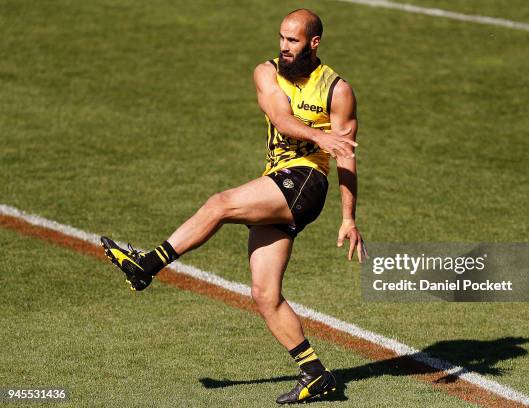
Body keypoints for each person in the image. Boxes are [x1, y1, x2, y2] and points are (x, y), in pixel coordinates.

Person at [100, 8, 366, 404]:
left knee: (220, 204)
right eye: (281, 37)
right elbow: (280, 116)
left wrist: (348, 216)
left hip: (306, 182)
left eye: (293, 40)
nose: (283, 46)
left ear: (314, 43)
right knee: (264, 293)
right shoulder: (266, 72)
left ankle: (147, 266)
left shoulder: (337, 91)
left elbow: (346, 156)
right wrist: (319, 135)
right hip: (278, 181)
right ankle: (316, 375)